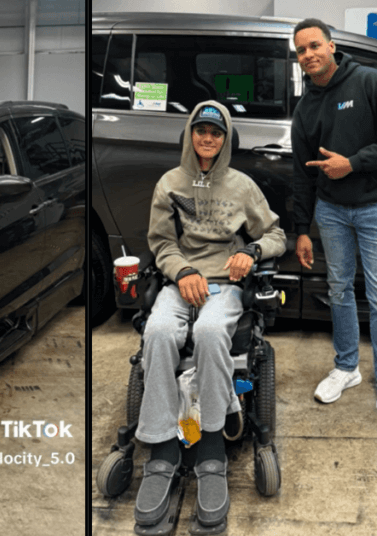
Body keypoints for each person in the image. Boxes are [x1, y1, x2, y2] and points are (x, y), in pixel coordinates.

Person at [134, 100, 286, 529]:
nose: (207, 138)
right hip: (180, 282)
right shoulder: (170, 183)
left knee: (210, 333)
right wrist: (181, 271)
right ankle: (162, 450)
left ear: (226, 139)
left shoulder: (241, 186)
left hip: (224, 285)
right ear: (190, 134)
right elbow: (161, 243)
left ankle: (212, 448)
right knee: (159, 331)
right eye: (200, 130)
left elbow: (275, 233)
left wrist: (252, 252)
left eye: (216, 133)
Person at [289, 19, 377, 441]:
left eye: (314, 46)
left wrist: (353, 162)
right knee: (340, 289)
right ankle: (346, 368)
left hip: (376, 209)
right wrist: (301, 229)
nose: (308, 55)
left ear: (331, 45)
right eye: (300, 51)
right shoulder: (305, 107)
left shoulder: (369, 83)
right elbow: (301, 174)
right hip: (330, 212)